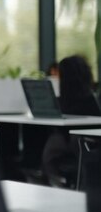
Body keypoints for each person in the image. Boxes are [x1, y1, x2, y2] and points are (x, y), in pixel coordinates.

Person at [43, 55, 101, 188]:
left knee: (58, 143)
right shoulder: (66, 101)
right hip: (70, 141)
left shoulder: (90, 102)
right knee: (55, 142)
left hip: (83, 142)